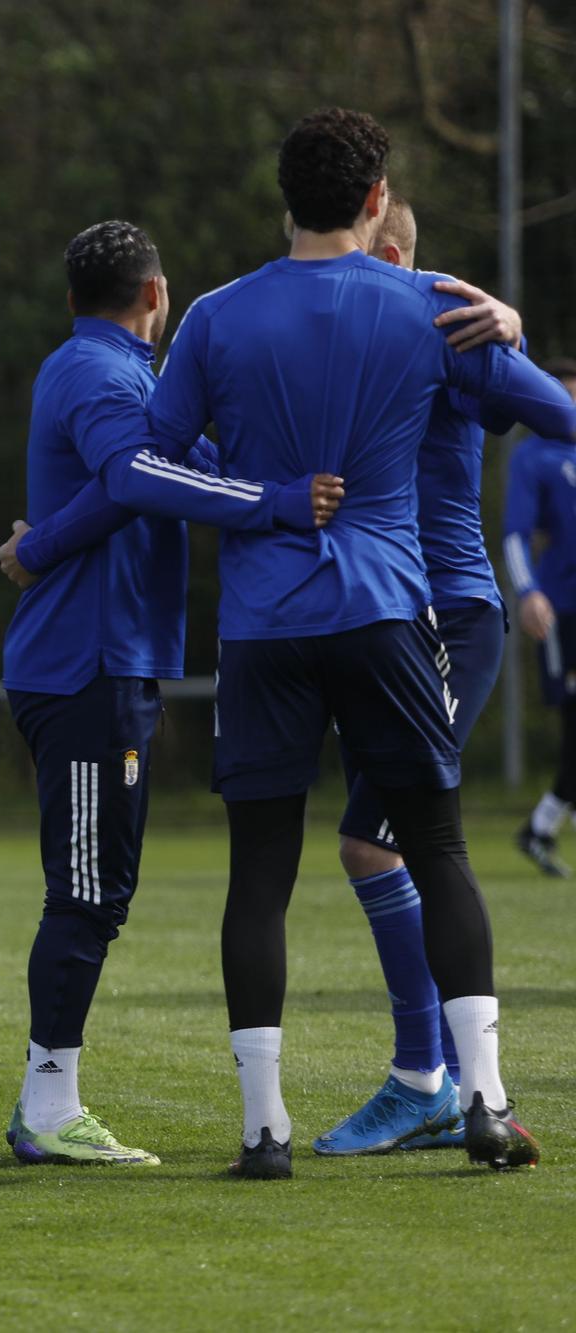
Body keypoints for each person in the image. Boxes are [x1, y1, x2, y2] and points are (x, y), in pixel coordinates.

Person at [10, 110, 571, 1177]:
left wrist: (39, 543)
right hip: (386, 609)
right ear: (374, 202)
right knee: (437, 851)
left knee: (258, 875)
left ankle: (261, 1131)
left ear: (283, 200)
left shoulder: (215, 318)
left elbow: (144, 465)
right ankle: (484, 1103)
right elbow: (554, 417)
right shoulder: (430, 308)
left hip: (263, 627)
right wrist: (507, 325)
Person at [316, 198, 533, 1156]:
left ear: (392, 252)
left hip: (451, 615)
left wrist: (513, 328)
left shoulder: (446, 332)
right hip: (387, 618)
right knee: (380, 843)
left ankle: (432, 1082)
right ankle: (444, 1083)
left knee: (380, 841)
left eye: (354, 254)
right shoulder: (350, 342)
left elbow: (545, 407)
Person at [505, 357, 576, 875]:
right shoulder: (534, 458)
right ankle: (541, 825)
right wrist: (528, 590)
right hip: (563, 610)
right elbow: (515, 534)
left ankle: (540, 827)